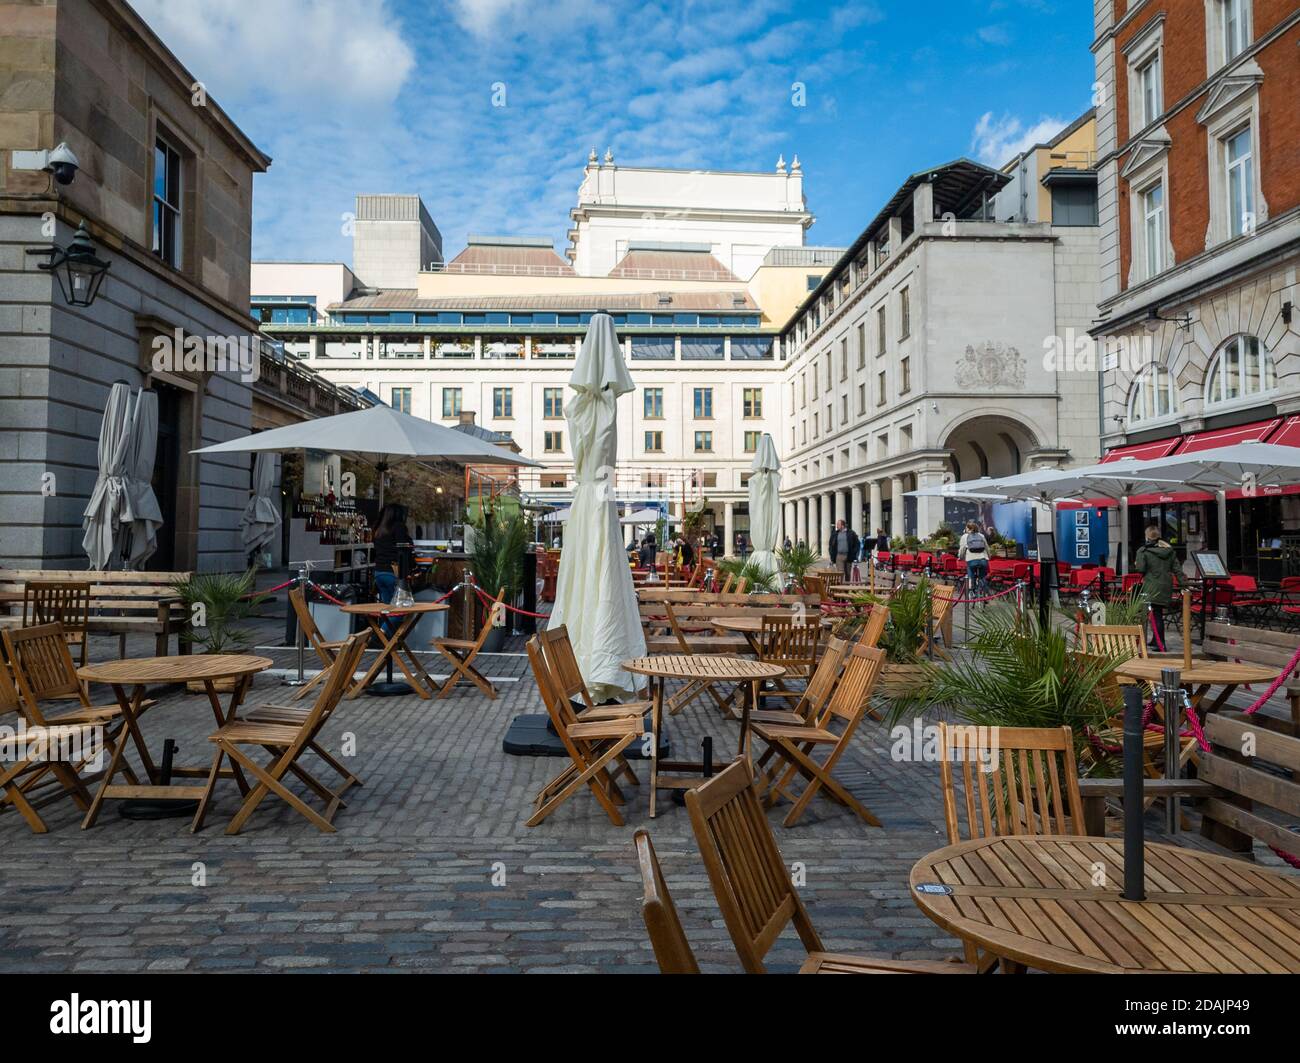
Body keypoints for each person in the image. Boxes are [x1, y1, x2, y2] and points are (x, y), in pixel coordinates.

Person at [1135, 524, 1179, 650]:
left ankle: (1160, 644)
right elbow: (1177, 570)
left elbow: (1141, 569)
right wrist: (1184, 585)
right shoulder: (1169, 551)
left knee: (1155, 614)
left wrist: (1138, 561)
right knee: (1158, 613)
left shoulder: (1144, 551)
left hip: (1152, 586)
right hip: (1166, 586)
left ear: (1147, 537)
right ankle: (1156, 640)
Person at [371, 503, 413, 635]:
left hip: (379, 573)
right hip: (393, 572)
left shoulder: (378, 529)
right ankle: (380, 634)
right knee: (399, 611)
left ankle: (387, 645)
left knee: (388, 609)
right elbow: (404, 548)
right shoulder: (398, 527)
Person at [958, 520, 990, 595]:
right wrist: (989, 556)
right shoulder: (981, 535)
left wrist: (960, 557)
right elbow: (987, 548)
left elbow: (962, 549)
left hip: (971, 560)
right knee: (982, 576)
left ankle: (971, 591)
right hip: (983, 559)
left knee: (970, 575)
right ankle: (985, 593)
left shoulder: (964, 537)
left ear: (968, 529)